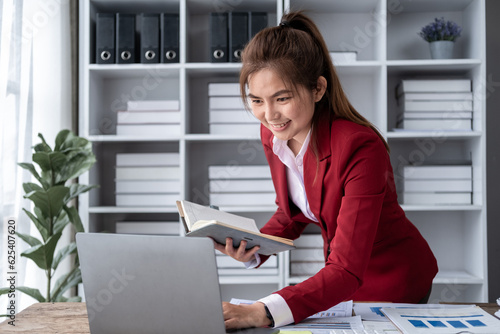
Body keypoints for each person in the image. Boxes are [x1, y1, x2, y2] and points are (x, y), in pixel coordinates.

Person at [213, 10, 438, 330]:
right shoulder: (275, 134)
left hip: (393, 282)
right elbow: (292, 212)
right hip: (341, 285)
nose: (269, 114)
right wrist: (253, 248)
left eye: (282, 98)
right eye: (257, 101)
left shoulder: (361, 147)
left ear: (318, 89)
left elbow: (346, 269)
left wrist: (262, 310)